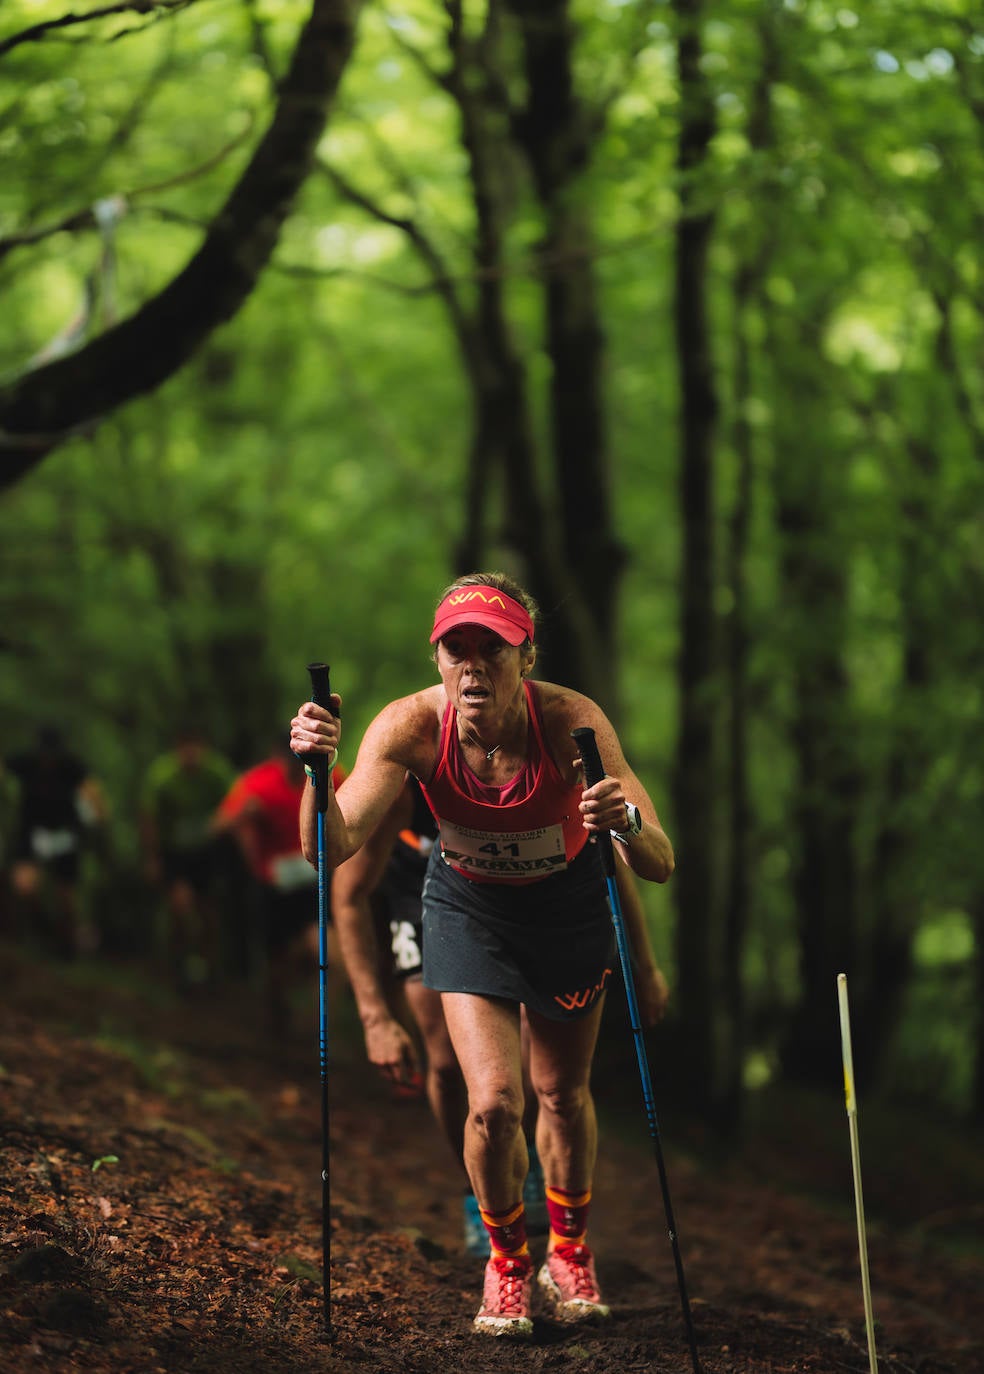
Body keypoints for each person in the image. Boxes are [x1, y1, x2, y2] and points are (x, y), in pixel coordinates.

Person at [290, 571, 674, 1338]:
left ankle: (570, 1251)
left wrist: (625, 821)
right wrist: (317, 772)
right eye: (455, 649)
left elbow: (657, 861)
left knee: (560, 1093)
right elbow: (329, 847)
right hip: (469, 908)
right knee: (495, 1103)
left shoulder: (572, 722)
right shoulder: (407, 726)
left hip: (566, 909)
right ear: (436, 658)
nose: (473, 667)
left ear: (525, 656)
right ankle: (506, 1262)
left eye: (492, 649)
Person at [213, 739, 346, 1037]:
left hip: (315, 883)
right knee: (278, 963)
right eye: (291, 759)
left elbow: (357, 810)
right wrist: (245, 817)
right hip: (274, 886)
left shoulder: (330, 774)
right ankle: (278, 1022)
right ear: (278, 757)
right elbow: (220, 824)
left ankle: (317, 1029)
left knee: (331, 957)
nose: (296, 766)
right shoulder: (257, 783)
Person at [139, 728, 236, 991]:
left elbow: (236, 803)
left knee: (208, 913)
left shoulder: (217, 772)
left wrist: (221, 824)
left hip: (208, 852)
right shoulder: (162, 776)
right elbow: (149, 819)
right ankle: (177, 965)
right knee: (180, 908)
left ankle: (210, 968)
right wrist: (152, 858)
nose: (191, 754)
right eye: (186, 748)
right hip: (175, 853)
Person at [6, 727, 109, 958]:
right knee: (24, 887)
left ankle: (66, 941)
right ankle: (43, 931)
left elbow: (92, 791)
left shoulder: (71, 767)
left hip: (65, 834)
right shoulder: (26, 763)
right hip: (32, 832)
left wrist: (98, 817)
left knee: (65, 895)